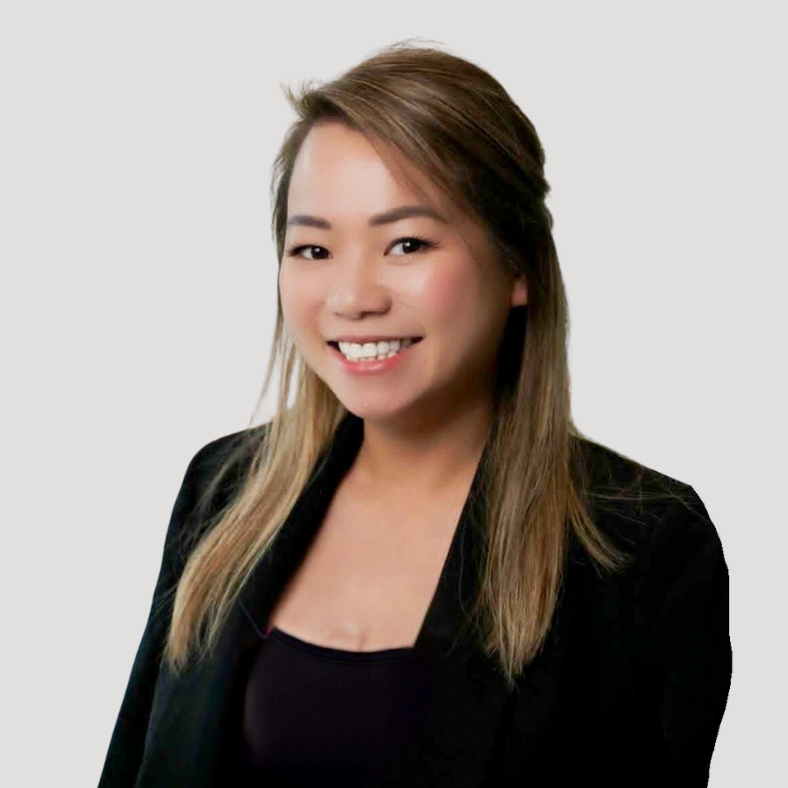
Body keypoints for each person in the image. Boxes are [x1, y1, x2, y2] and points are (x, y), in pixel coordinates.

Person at [97, 40, 731, 788]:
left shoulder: (640, 547)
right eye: (312, 249)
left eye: (406, 243)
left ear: (518, 265)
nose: (352, 297)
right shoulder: (223, 490)